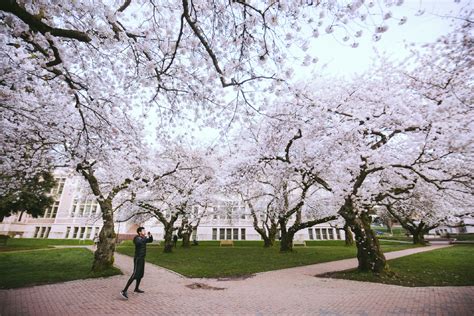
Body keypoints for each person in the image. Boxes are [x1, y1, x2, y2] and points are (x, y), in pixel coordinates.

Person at [120, 227, 153, 299]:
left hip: (142, 258)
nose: (145, 231)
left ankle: (136, 288)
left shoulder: (143, 238)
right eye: (143, 230)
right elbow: (139, 242)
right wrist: (144, 237)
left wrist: (150, 236)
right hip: (138, 258)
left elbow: (150, 240)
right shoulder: (137, 238)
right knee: (135, 274)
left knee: (140, 274)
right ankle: (124, 291)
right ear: (139, 232)